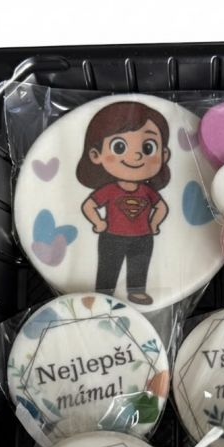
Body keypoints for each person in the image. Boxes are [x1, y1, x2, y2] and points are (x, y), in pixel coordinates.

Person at [77, 102, 171, 306]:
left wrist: (154, 223)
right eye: (119, 147)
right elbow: (88, 206)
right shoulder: (109, 190)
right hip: (112, 236)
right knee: (108, 266)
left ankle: (137, 291)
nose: (136, 155)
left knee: (140, 264)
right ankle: (105, 292)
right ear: (96, 155)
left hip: (143, 237)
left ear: (164, 155)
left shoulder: (148, 191)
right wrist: (98, 223)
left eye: (148, 147)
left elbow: (162, 207)